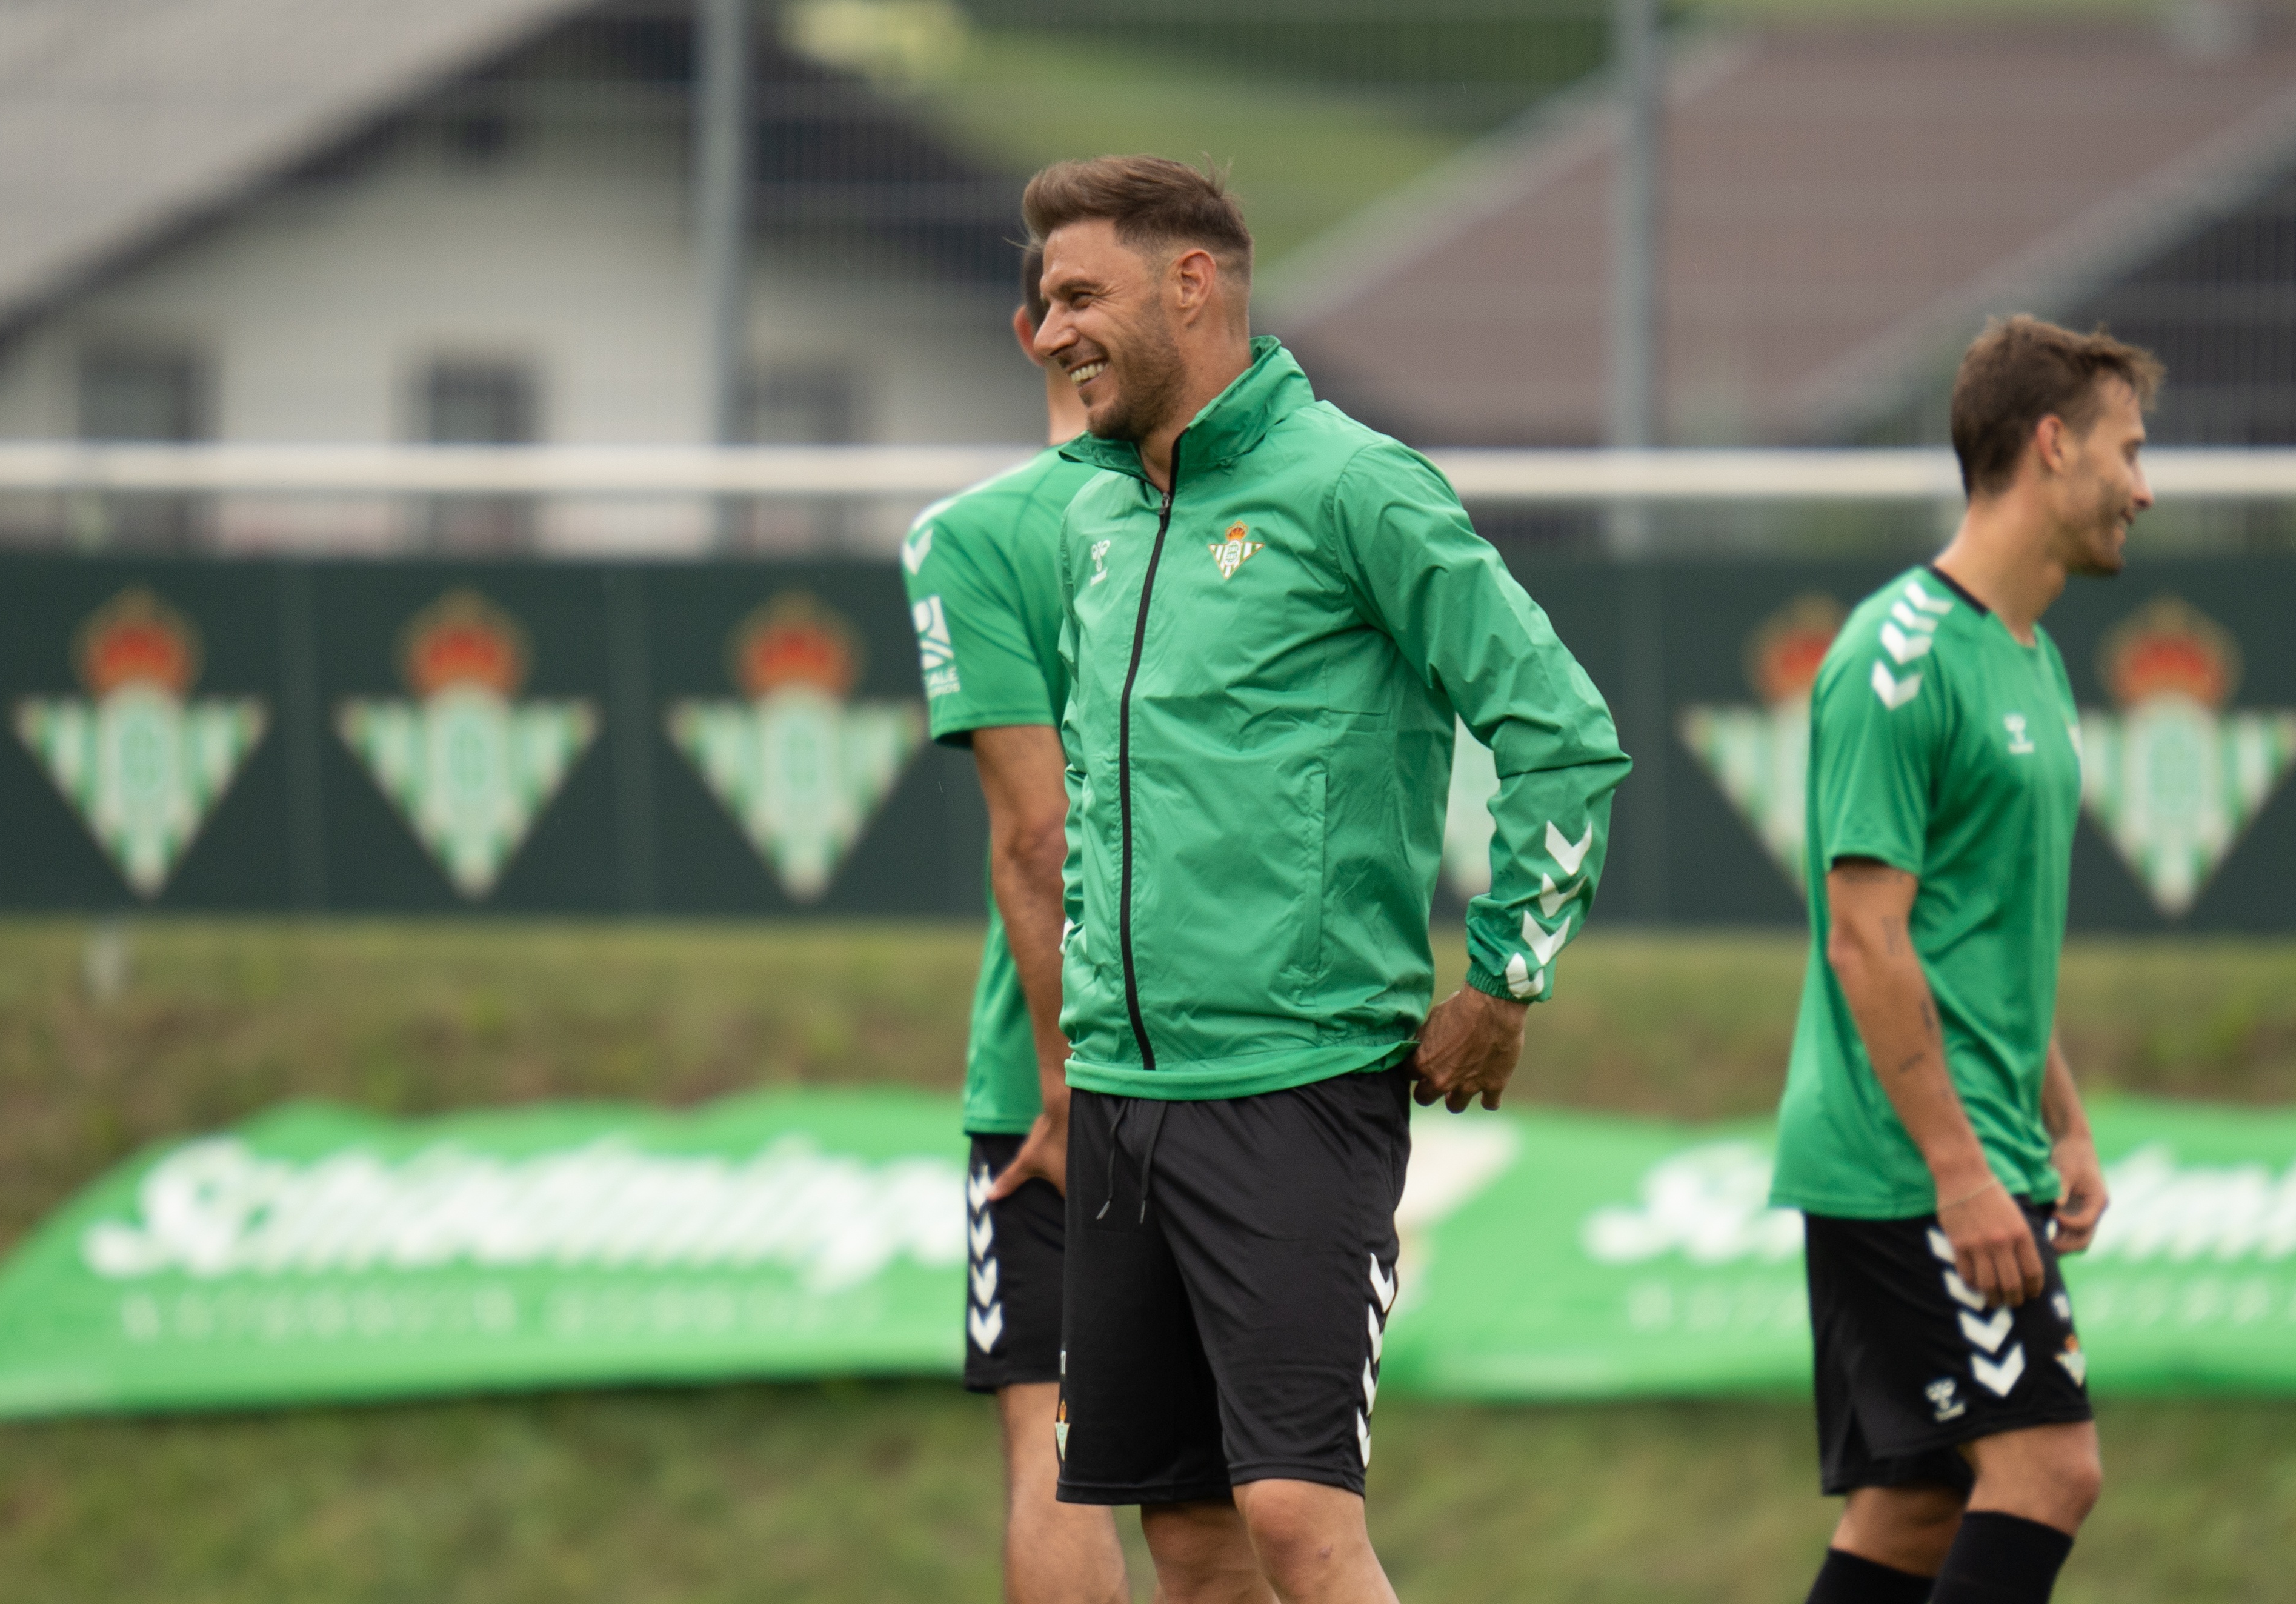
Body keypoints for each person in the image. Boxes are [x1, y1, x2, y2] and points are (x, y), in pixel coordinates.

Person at [1028, 155, 1630, 1604]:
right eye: (1040, 299)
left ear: (1192, 284)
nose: (1045, 333)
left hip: (1293, 1094)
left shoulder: (1353, 485)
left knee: (1297, 1518)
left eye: (1076, 295)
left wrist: (1504, 976)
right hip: (1121, 1100)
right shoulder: (1090, 518)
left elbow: (1562, 734)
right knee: (1183, 1537)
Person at [1772, 315, 2160, 1604]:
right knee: (2049, 1469)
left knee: (1912, 1512)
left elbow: (1976, 943)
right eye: (2126, 450)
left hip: (1979, 1147)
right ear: (2050, 446)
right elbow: (1863, 936)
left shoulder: (2031, 657)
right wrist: (1960, 1172)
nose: (2141, 489)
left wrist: (2063, 1125)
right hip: (1903, 1162)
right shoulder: (1896, 657)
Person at [900, 247, 1130, 1604]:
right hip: (1237, 1063)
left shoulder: (974, 534)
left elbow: (1035, 839)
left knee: (1056, 1442)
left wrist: (1059, 1076)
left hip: (1058, 1072)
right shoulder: (1237, 522)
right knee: (1240, 1489)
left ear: (1027, 334)